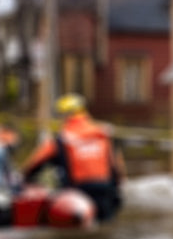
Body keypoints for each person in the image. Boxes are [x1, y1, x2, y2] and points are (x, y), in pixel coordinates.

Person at [21, 94, 125, 222]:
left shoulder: (61, 138)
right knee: (105, 226)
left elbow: (34, 164)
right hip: (106, 189)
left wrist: (24, 180)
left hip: (78, 192)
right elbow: (117, 165)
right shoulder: (103, 134)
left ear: (65, 116)